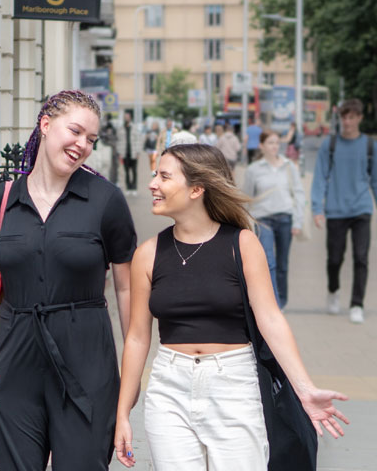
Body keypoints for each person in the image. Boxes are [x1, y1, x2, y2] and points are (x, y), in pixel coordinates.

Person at [114, 144, 349, 470]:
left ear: (196, 189)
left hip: (234, 386)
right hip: (169, 387)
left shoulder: (242, 244)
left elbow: (270, 319)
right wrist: (123, 413)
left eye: (164, 176)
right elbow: (138, 339)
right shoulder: (148, 254)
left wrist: (305, 388)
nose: (152, 183)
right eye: (155, 175)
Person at [0, 89, 137, 470]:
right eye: (75, 131)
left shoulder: (106, 200)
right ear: (45, 125)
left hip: (86, 360)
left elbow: (126, 288)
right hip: (13, 360)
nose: (83, 145)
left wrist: (132, 367)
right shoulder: (3, 199)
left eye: (91, 139)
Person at [311, 98, 377, 324]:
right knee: (334, 259)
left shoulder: (369, 145)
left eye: (351, 117)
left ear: (359, 118)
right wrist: (317, 208)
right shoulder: (330, 145)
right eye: (344, 117)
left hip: (361, 209)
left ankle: (357, 304)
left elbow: (376, 180)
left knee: (361, 258)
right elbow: (319, 177)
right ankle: (333, 290)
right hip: (336, 210)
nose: (347, 122)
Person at [243, 130, 305, 308]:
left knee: (282, 263)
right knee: (269, 262)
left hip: (286, 218)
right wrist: (245, 225)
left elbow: (299, 194)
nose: (274, 146)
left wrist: (298, 221)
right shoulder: (253, 170)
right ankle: (273, 303)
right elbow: (247, 197)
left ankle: (282, 302)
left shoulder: (288, 166)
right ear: (261, 146)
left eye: (277, 143)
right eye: (270, 143)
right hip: (263, 220)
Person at [118, 111, 142, 194]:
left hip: (133, 152)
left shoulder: (134, 128)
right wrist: (120, 153)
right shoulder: (121, 128)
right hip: (125, 153)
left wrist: (138, 152)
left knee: (134, 171)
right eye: (125, 117)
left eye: (127, 117)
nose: (126, 118)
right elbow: (119, 141)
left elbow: (138, 140)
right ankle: (128, 188)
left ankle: (134, 188)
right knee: (127, 171)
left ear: (130, 118)